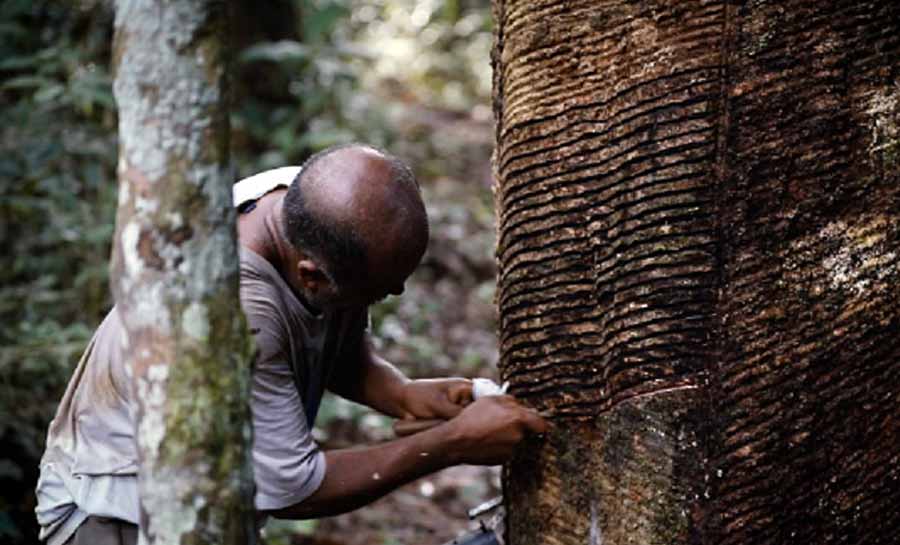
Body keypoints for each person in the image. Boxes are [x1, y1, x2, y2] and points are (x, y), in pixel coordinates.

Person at [35, 143, 547, 545]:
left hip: (198, 492)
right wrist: (452, 445)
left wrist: (401, 393)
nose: (398, 294)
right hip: (118, 512)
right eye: (383, 288)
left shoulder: (302, 202)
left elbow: (331, 331)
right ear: (313, 275)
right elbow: (295, 490)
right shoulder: (235, 310)